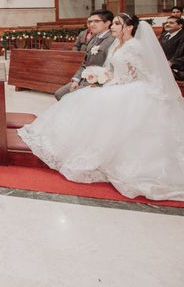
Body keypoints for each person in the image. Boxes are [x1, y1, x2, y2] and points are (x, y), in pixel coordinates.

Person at [19, 14, 184, 201]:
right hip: (115, 85)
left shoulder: (135, 47)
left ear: (129, 27)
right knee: (81, 101)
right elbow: (114, 70)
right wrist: (101, 77)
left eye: (116, 24)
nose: (113, 26)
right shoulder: (117, 44)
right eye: (113, 23)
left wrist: (139, 89)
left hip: (131, 91)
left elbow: (146, 74)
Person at [54, 9, 115, 100]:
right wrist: (76, 80)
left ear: (107, 23)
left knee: (70, 98)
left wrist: (98, 81)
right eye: (90, 21)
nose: (92, 24)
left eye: (97, 21)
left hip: (100, 81)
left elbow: (112, 66)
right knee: (59, 94)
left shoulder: (112, 39)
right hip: (84, 78)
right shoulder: (93, 37)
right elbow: (84, 63)